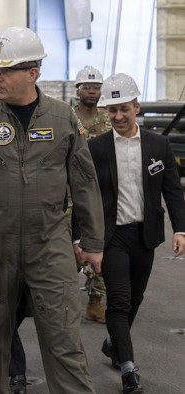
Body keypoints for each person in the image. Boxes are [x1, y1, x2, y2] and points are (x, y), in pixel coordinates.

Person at [0, 26, 105, 393]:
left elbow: (84, 182)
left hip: (50, 247)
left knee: (64, 343)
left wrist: (92, 242)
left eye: (6, 69)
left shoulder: (62, 119)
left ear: (33, 72)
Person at [75, 73, 185, 394]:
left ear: (137, 107)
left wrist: (180, 229)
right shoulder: (96, 148)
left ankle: (113, 342)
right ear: (106, 112)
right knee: (119, 300)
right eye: (112, 111)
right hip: (112, 237)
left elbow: (173, 192)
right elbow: (84, 194)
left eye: (124, 109)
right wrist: (80, 236)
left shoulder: (158, 145)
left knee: (135, 297)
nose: (118, 117)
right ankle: (127, 368)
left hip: (145, 236)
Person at [73, 65, 110, 324]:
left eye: (96, 87)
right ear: (78, 90)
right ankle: (59, 297)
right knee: (67, 248)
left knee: (100, 243)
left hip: (102, 191)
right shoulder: (67, 117)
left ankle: (95, 300)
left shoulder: (109, 118)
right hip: (70, 192)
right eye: (86, 86)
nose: (91, 91)